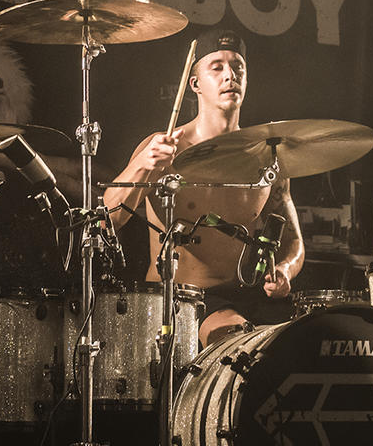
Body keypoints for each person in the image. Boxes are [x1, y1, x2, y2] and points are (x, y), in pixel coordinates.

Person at [103, 28, 304, 346]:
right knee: (242, 344)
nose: (230, 75)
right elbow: (107, 222)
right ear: (195, 84)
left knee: (306, 342)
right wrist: (143, 164)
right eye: (217, 67)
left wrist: (285, 270)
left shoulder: (268, 158)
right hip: (180, 301)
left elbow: (294, 242)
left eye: (237, 67)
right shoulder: (164, 149)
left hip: (247, 298)